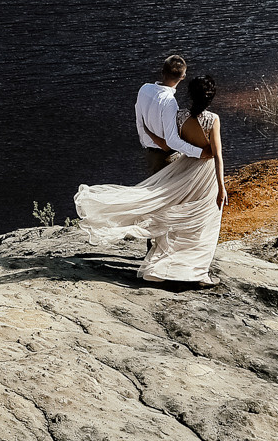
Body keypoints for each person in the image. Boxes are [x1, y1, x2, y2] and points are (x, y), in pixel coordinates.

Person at [76, 76, 227, 285]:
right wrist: (221, 187)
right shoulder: (213, 119)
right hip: (205, 176)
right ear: (210, 98)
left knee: (177, 219)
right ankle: (198, 274)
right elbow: (217, 155)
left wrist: (147, 132)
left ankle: (162, 268)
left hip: (182, 170)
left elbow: (169, 144)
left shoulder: (181, 117)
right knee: (202, 223)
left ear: (191, 95)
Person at [136, 54, 207, 174]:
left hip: (149, 155)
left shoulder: (144, 89)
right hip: (166, 159)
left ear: (162, 71)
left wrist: (146, 138)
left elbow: (139, 122)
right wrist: (200, 153)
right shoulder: (169, 101)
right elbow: (171, 141)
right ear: (183, 77)